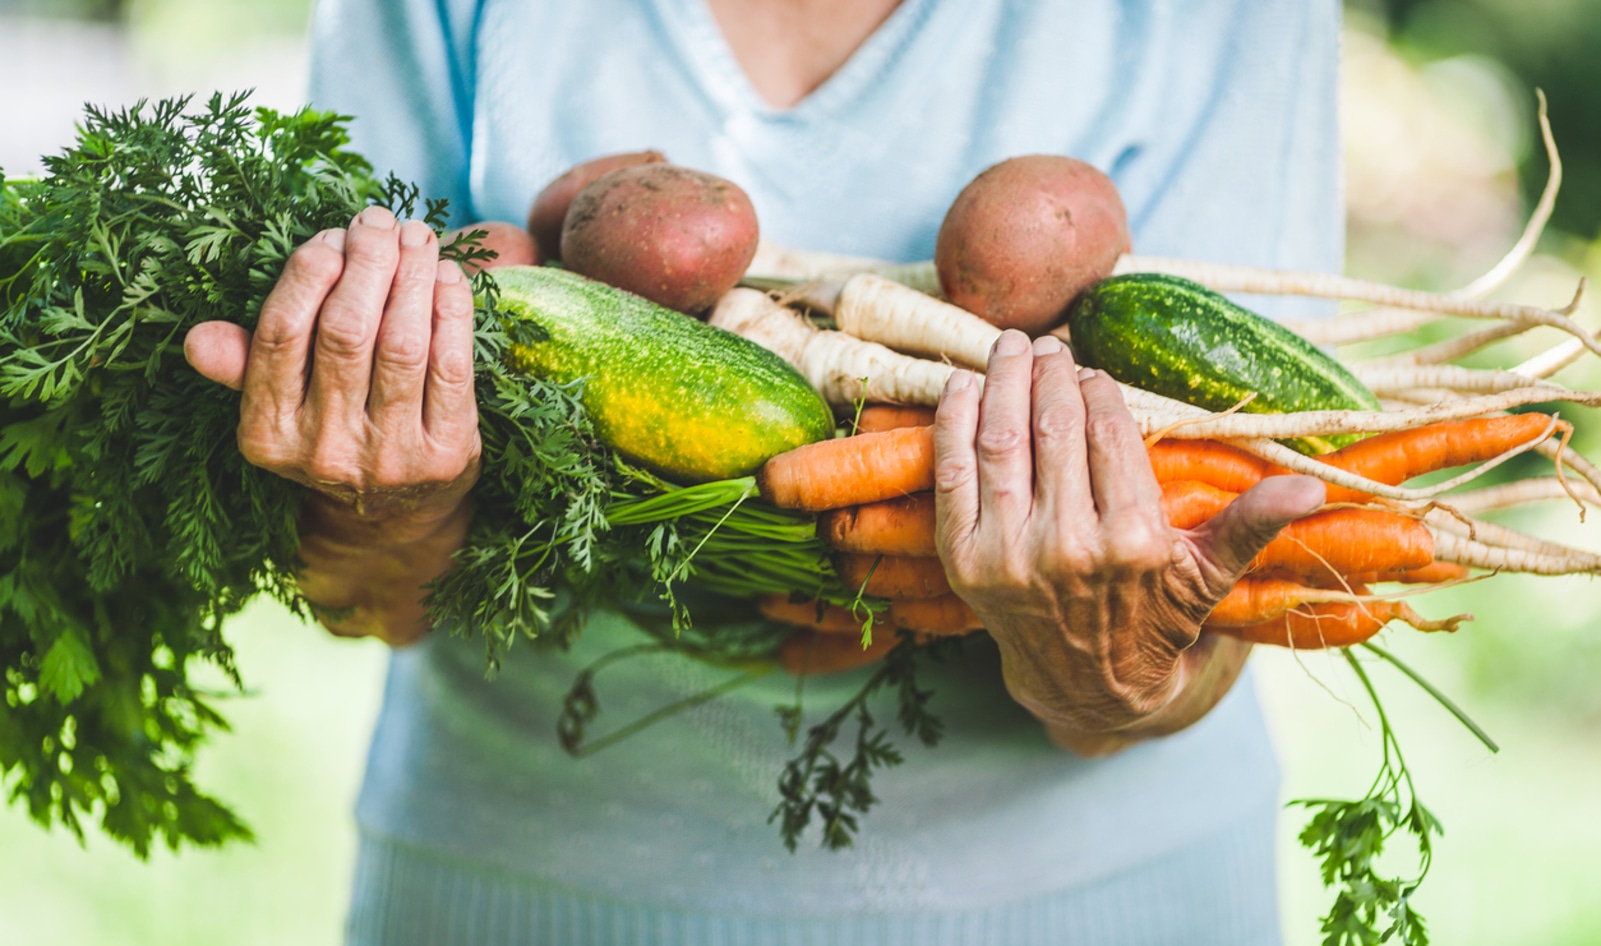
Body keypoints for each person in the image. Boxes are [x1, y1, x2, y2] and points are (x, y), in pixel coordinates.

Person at [183, 0, 1342, 942]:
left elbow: (1242, 542)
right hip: (524, 890)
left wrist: (1115, 677)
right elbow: (364, 593)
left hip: (1093, 906)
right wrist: (378, 522)